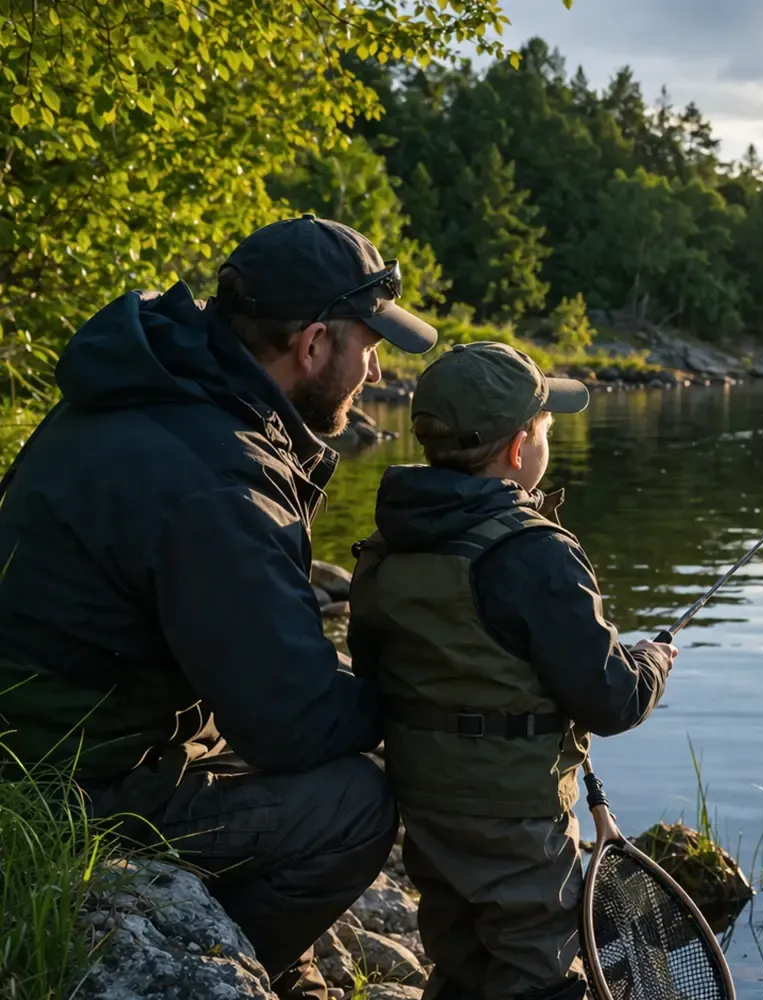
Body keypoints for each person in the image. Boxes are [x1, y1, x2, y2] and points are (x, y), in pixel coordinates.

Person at [0, 214, 440, 998]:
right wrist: (427, 694)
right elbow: (295, 726)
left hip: (55, 730)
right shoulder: (218, 477)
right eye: (366, 347)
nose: (373, 372)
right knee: (357, 804)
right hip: (58, 782)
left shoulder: (161, 382)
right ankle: (242, 965)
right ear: (311, 345)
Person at [346, 341, 676, 1000]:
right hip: (517, 816)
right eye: (548, 429)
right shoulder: (536, 554)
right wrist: (655, 660)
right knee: (539, 970)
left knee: (458, 955)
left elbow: (371, 668)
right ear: (520, 449)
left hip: (425, 799)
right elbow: (612, 700)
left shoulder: (388, 543)